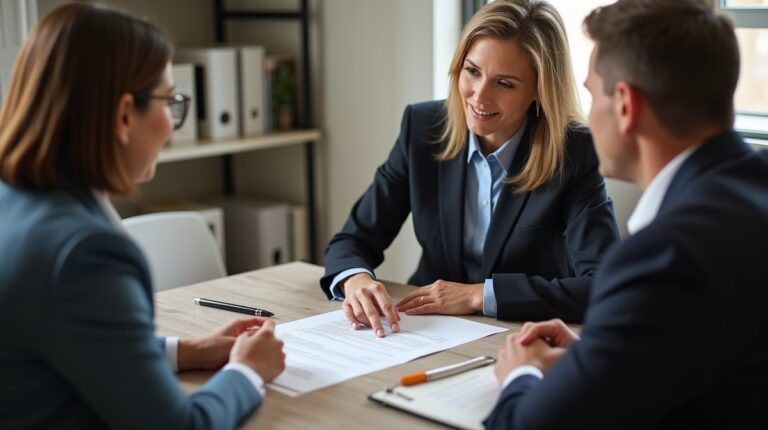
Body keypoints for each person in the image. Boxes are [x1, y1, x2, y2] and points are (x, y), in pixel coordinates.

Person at [485, 0, 768, 428]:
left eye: (592, 94)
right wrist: (593, 353)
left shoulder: (662, 256)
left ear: (624, 105)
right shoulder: (753, 187)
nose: (585, 114)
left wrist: (522, 372)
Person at [0, 4, 285, 429]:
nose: (173, 123)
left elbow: (65, 339)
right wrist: (247, 371)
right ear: (122, 115)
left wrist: (186, 349)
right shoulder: (87, 253)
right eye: (170, 101)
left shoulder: (16, 199)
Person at [321, 0, 619, 337]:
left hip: (520, 335)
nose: (479, 97)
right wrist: (356, 280)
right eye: (472, 71)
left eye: (504, 83)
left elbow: (604, 284)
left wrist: (479, 295)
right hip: (420, 330)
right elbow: (352, 240)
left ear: (539, 90)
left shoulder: (574, 151)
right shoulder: (422, 128)